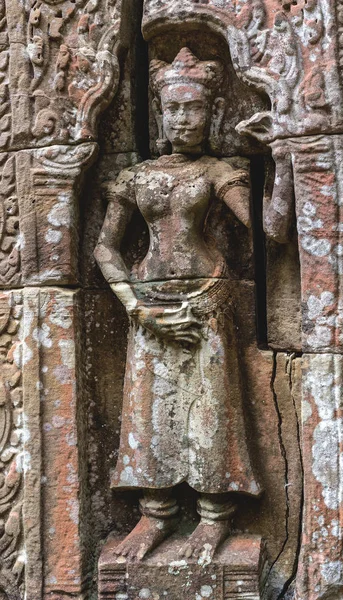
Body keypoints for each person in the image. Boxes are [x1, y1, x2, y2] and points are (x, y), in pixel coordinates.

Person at [94, 47, 262, 563]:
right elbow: (105, 247)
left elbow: (268, 229)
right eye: (174, 109)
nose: (183, 119)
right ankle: (155, 514)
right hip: (146, 306)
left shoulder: (219, 171)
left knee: (212, 411)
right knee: (146, 410)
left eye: (193, 108)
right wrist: (136, 306)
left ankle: (213, 517)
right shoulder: (138, 175)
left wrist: (291, 158)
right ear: (161, 113)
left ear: (211, 113)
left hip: (206, 302)